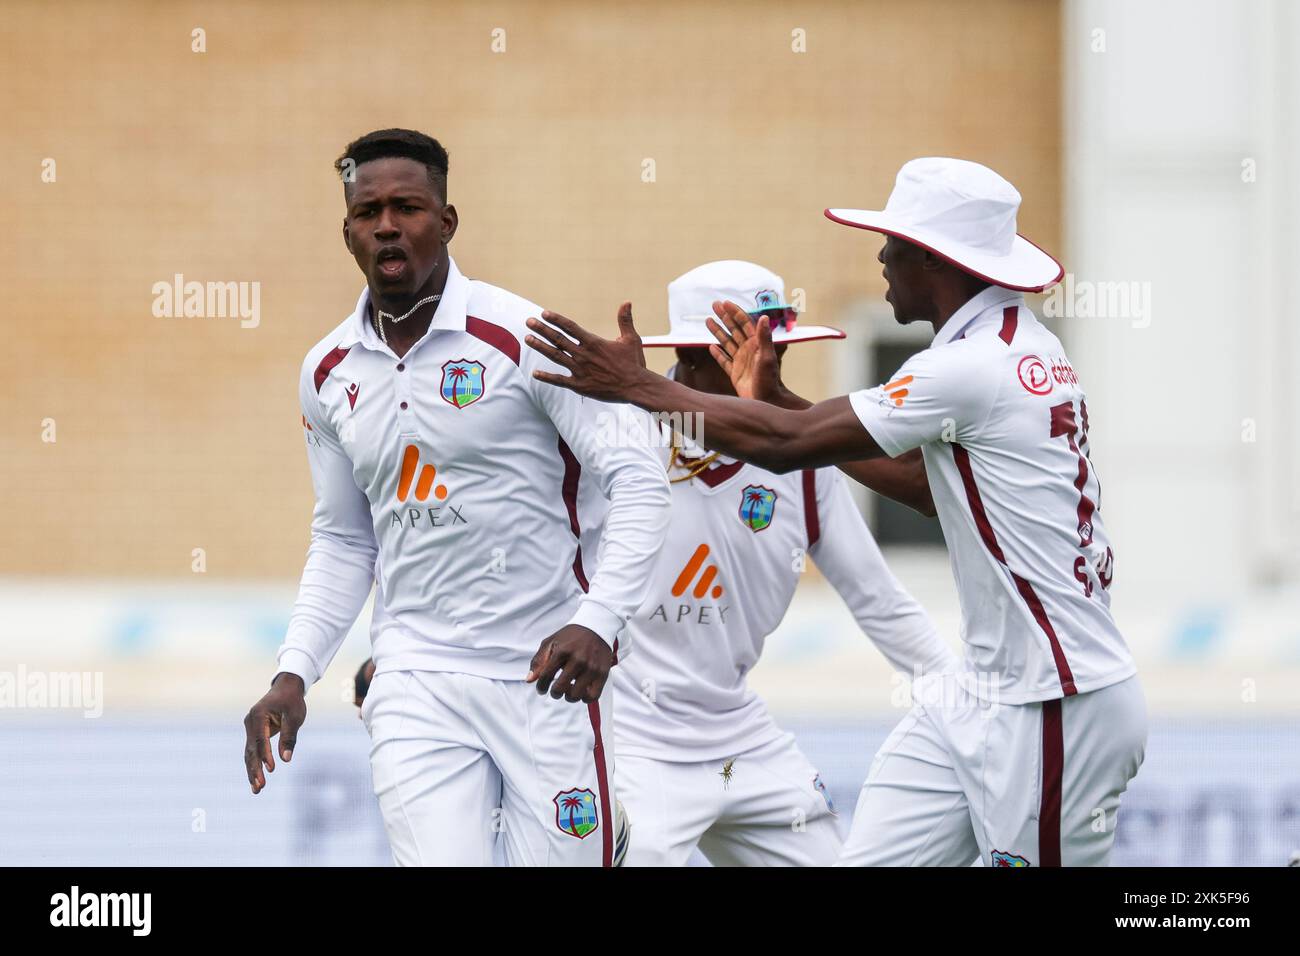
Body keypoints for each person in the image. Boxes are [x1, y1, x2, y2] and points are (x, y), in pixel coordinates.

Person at [521, 157, 1146, 866]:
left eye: (896, 244)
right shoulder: (1012, 348)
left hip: (1055, 700)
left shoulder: (968, 366)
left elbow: (788, 450)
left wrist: (636, 385)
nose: (881, 256)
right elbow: (920, 485)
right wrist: (770, 401)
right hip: (980, 693)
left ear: (936, 260)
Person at [242, 128, 670, 867]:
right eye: (367, 210)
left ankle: (610, 834)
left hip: (547, 673)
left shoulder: (523, 339)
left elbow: (639, 479)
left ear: (446, 220)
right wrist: (293, 672)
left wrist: (597, 621)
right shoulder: (327, 372)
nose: (386, 224)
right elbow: (346, 538)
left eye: (407, 206)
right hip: (416, 675)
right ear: (346, 230)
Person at [611, 259, 956, 866]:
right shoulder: (616, 445)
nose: (770, 375)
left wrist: (970, 703)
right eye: (754, 357)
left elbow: (879, 600)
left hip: (742, 737)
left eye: (780, 356)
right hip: (632, 743)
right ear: (696, 358)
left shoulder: (806, 466)